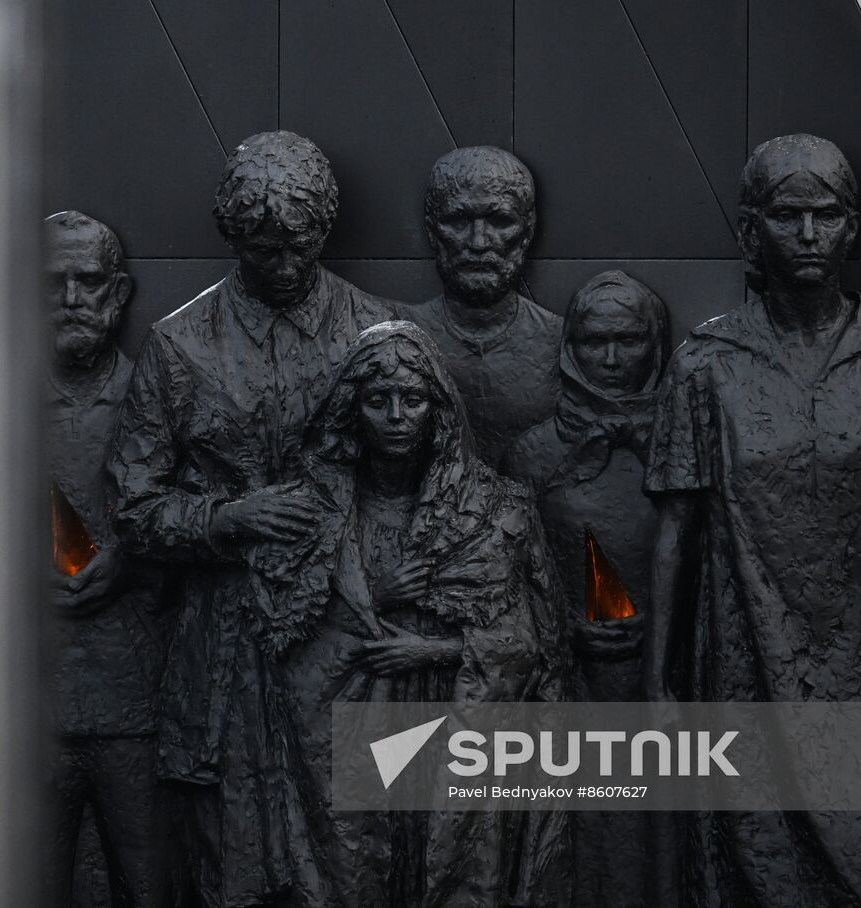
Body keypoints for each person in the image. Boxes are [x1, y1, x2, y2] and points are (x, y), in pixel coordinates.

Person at [643, 134, 861, 906]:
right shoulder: (707, 365)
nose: (806, 235)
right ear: (749, 229)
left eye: (824, 216)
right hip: (747, 667)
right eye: (787, 216)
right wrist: (658, 684)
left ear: (851, 228)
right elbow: (675, 530)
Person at [107, 131, 393, 908]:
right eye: (262, 247)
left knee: (348, 856)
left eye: (297, 245)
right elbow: (132, 504)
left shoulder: (376, 336)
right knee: (227, 864)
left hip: (344, 638)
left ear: (323, 230)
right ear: (231, 234)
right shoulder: (179, 346)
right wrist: (226, 518)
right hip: (223, 652)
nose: (282, 263)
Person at [246, 321, 568, 908]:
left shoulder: (494, 511)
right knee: (359, 869)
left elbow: (530, 644)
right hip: (353, 739)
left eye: (412, 399)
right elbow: (284, 656)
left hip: (458, 731)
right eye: (378, 400)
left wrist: (437, 651)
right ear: (352, 409)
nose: (396, 415)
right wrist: (375, 595)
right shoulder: (309, 517)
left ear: (437, 409)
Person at [502, 270, 672, 908]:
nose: (610, 359)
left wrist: (659, 624)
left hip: (660, 687)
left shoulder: (685, 446)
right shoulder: (531, 455)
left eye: (627, 341)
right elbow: (502, 577)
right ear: (569, 345)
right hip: (560, 689)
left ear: (654, 346)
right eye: (594, 340)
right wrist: (560, 628)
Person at [42, 211, 169, 906]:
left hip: (133, 696)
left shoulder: (158, 396)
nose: (71, 300)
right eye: (52, 283)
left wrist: (130, 556)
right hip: (32, 699)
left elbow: (193, 523)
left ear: (117, 295)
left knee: (144, 882)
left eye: (87, 282)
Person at [407, 146, 562, 465]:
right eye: (458, 220)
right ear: (433, 230)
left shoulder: (563, 344)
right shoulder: (400, 337)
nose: (479, 242)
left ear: (527, 231)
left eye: (500, 221)